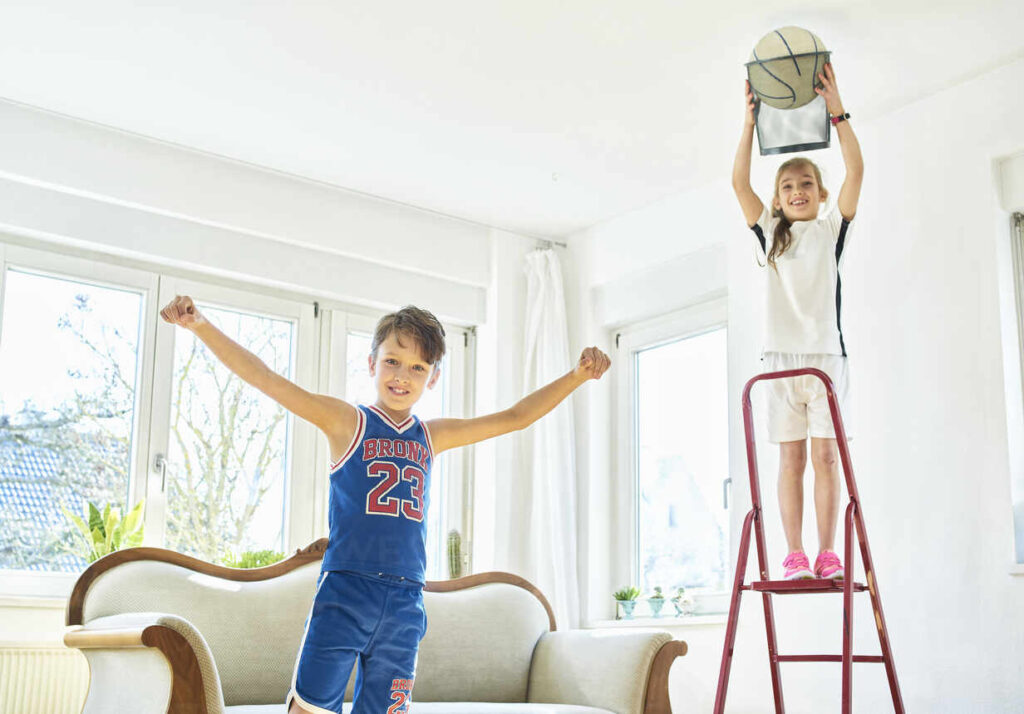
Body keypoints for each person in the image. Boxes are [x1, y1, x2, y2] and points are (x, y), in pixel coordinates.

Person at [159, 296, 610, 714]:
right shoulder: (347, 422)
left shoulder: (432, 436)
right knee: (310, 710)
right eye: (392, 361)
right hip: (346, 592)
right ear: (371, 362)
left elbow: (515, 418)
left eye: (417, 367)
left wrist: (577, 376)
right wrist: (201, 325)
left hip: (405, 602)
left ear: (432, 377)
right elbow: (268, 380)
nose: (401, 375)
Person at [731, 63, 864, 581]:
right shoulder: (770, 233)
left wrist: (838, 111)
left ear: (820, 193)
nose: (797, 189)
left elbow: (856, 171)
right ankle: (794, 554)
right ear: (779, 198)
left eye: (806, 181)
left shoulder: (831, 231)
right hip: (780, 362)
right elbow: (738, 181)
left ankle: (827, 551)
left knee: (827, 460)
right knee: (790, 463)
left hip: (826, 359)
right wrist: (748, 125)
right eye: (787, 184)